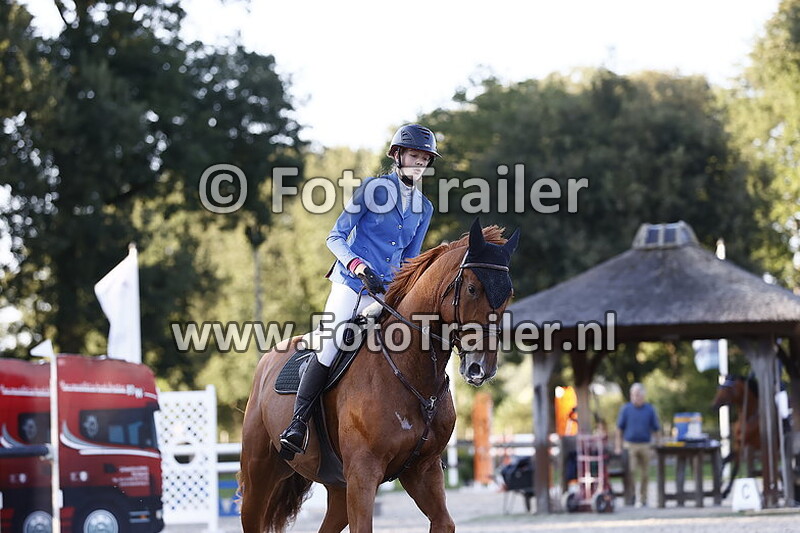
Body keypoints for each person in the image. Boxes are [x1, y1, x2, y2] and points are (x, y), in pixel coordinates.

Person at [279, 124, 439, 457]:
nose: (419, 163)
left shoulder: (424, 208)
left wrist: (402, 291)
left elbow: (410, 260)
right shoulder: (372, 189)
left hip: (385, 292)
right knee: (331, 342)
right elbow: (335, 237)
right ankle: (297, 423)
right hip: (351, 283)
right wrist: (359, 267)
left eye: (425, 158)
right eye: (414, 155)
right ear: (397, 155)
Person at [615, 383, 660, 507]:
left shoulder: (649, 409)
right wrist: (618, 446)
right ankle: (632, 496)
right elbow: (619, 429)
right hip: (630, 445)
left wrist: (656, 446)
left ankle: (643, 498)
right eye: (633, 395)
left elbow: (656, 429)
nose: (635, 397)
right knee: (630, 471)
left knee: (645, 474)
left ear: (643, 395)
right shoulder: (626, 409)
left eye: (637, 395)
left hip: (646, 445)